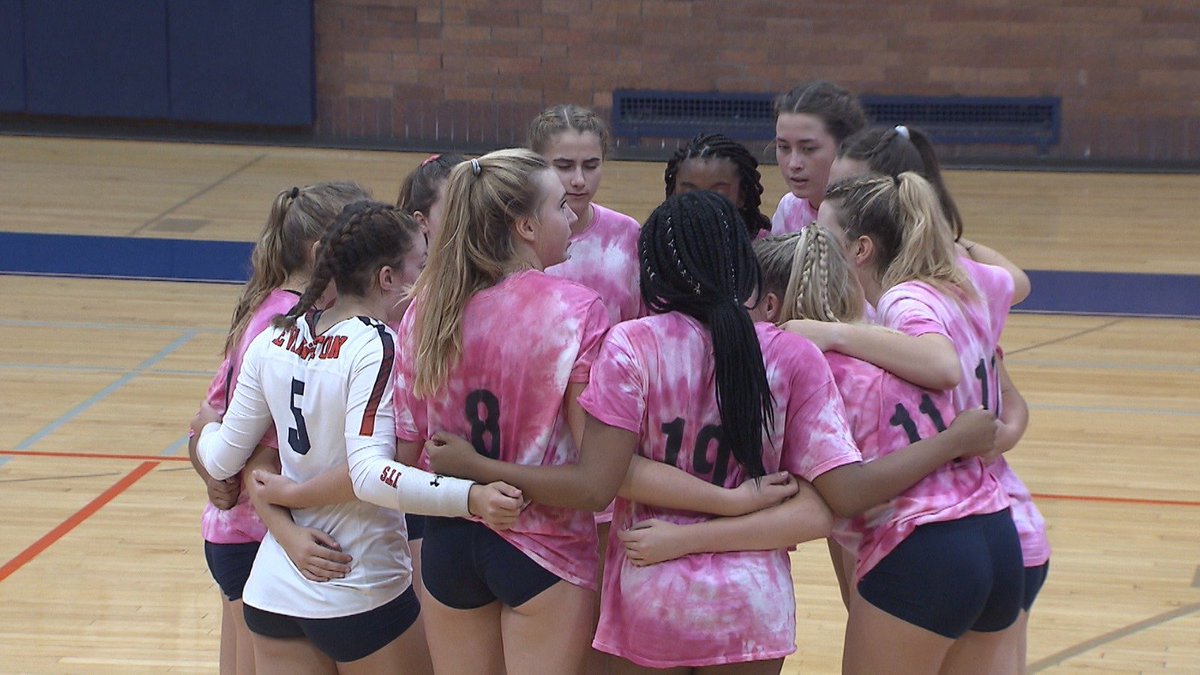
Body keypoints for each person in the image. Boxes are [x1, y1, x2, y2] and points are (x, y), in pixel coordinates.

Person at [427, 191, 999, 674]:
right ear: (742, 265)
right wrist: (951, 441)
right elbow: (830, 504)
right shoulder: (793, 355)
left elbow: (605, 474)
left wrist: (686, 532)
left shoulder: (632, 344)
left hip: (650, 598)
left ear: (651, 269)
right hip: (751, 608)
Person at [195, 201, 520, 674]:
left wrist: (206, 429)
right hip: (357, 583)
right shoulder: (376, 342)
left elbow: (225, 460)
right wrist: (471, 497)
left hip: (275, 589)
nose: (426, 276)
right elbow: (370, 475)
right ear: (387, 279)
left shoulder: (273, 337)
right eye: (420, 265)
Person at [802, 173, 1042, 673]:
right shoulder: (966, 284)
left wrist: (834, 333)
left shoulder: (903, 300)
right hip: (999, 528)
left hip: (926, 538)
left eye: (825, 239)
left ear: (862, 249)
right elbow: (1015, 283)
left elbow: (941, 365)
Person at [392, 149, 611, 674]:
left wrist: (469, 479)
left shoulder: (426, 308)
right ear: (527, 226)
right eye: (561, 206)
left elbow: (402, 455)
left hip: (448, 544)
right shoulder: (577, 311)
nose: (573, 215)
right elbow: (591, 479)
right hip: (544, 546)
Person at [186, 182, 368, 674]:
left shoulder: (268, 308)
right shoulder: (288, 325)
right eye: (359, 241)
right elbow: (244, 450)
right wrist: (285, 534)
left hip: (239, 532)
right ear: (320, 253)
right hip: (257, 535)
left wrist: (208, 463)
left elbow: (205, 423)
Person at [828, 124, 1031, 304]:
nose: (834, 199)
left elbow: (1018, 284)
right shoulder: (839, 247)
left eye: (848, 190)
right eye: (833, 188)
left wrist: (942, 238)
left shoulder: (930, 270)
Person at [529, 103, 643, 325]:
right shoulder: (515, 237)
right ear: (535, 164)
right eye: (564, 166)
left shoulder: (628, 234)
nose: (579, 180)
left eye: (591, 166)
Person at [770, 81, 868, 235]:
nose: (794, 164)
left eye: (808, 149)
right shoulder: (788, 208)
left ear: (846, 146)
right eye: (783, 147)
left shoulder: (872, 214)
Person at [664, 132, 773, 237]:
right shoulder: (657, 245)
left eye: (717, 195)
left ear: (741, 196)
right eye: (689, 195)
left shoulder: (763, 250)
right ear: (674, 193)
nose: (703, 205)